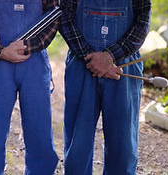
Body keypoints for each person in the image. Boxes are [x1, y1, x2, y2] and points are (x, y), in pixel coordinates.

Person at [59, 0, 151, 174]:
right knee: (78, 142)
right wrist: (90, 56)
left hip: (125, 63)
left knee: (123, 144)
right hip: (82, 63)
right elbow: (64, 17)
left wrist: (109, 57)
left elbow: (143, 22)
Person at [0, 0, 59, 174]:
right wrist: (0, 50)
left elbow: (53, 19)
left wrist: (28, 46)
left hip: (34, 63)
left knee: (38, 129)